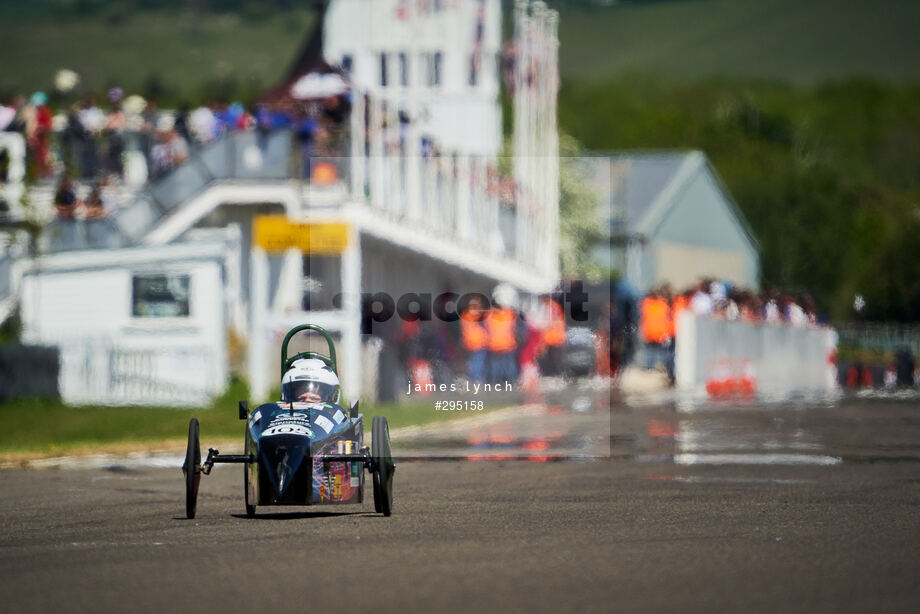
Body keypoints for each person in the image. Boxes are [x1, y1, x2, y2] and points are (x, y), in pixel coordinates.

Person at [459, 295, 489, 383]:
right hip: (478, 343)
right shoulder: (477, 315)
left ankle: (475, 380)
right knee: (477, 363)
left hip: (471, 343)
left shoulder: (465, 315)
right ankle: (477, 380)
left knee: (474, 363)